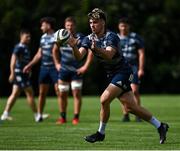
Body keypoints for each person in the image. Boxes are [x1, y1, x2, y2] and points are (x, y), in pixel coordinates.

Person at [67, 8, 169, 144]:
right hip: (113, 74)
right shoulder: (88, 38)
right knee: (130, 108)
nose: (92, 25)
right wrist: (74, 47)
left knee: (104, 99)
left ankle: (100, 133)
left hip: (124, 72)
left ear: (103, 22)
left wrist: (96, 48)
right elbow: (79, 56)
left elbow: (109, 55)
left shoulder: (112, 36)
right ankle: (160, 126)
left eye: (95, 22)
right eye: (90, 22)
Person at [52, 17, 93, 125]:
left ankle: (76, 117)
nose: (70, 27)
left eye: (71, 25)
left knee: (76, 93)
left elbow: (90, 52)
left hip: (76, 70)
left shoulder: (80, 37)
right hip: (64, 70)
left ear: (75, 26)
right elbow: (55, 50)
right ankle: (63, 117)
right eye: (67, 25)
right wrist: (56, 64)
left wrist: (85, 66)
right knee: (62, 94)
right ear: (65, 26)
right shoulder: (60, 36)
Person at [23, 17, 60, 122]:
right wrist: (29, 65)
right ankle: (39, 115)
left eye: (42, 25)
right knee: (42, 93)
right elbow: (39, 54)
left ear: (48, 25)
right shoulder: (43, 37)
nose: (41, 27)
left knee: (59, 91)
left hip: (54, 68)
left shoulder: (57, 36)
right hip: (44, 68)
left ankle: (62, 115)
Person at [1, 29, 38, 121]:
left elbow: (25, 61)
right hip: (19, 73)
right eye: (27, 37)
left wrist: (29, 70)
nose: (29, 38)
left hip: (23, 73)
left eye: (29, 37)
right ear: (21, 37)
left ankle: (5, 113)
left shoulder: (25, 47)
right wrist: (12, 73)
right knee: (30, 92)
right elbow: (13, 60)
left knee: (15, 94)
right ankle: (37, 115)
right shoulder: (19, 47)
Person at [117, 17, 145, 122]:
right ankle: (125, 114)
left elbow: (141, 54)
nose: (123, 28)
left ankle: (138, 114)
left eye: (125, 26)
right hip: (120, 67)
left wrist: (141, 68)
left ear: (129, 26)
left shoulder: (135, 37)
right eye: (122, 26)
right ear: (119, 27)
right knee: (121, 92)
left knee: (135, 91)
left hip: (132, 67)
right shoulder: (115, 38)